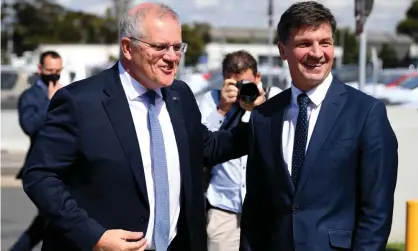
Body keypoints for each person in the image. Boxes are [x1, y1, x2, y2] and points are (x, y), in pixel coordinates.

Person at [21, 3, 263, 251]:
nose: (172, 57)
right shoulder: (81, 102)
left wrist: (263, 122)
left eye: (177, 47)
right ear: (127, 47)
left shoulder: (179, 95)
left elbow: (207, 147)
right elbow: (40, 176)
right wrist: (93, 236)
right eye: (159, 47)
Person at [240, 1, 398, 251]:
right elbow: (255, 208)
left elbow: (376, 212)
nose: (317, 53)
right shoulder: (264, 117)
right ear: (283, 50)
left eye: (325, 42)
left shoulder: (366, 113)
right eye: (304, 44)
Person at [198, 50, 262, 251]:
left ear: (257, 78)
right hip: (222, 207)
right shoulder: (211, 100)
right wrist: (222, 109)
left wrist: (257, 109)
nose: (241, 90)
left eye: (246, 83)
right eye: (234, 84)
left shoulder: (272, 98)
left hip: (261, 208)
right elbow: (200, 146)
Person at [10, 51, 63, 251]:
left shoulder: (64, 92)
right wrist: (51, 102)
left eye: (58, 71)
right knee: (53, 219)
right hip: (39, 168)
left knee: (48, 221)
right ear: (40, 69)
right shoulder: (29, 96)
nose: (54, 75)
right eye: (50, 71)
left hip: (62, 168)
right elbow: (30, 126)